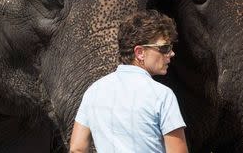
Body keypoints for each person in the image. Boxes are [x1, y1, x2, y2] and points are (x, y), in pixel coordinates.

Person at [69, 10, 188, 153]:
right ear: (140, 52)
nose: (171, 53)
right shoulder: (162, 95)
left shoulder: (94, 91)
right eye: (164, 48)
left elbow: (77, 148)